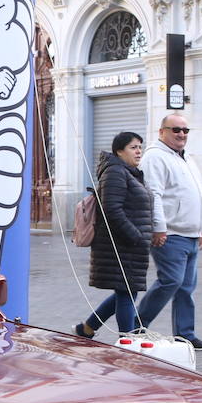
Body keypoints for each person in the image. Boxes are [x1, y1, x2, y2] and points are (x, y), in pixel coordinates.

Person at [135, 114, 202, 350]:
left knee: (186, 288)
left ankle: (185, 334)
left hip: (190, 234)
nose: (181, 134)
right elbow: (153, 195)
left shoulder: (186, 158)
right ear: (161, 132)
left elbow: (197, 194)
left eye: (185, 130)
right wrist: (159, 227)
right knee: (171, 281)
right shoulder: (155, 157)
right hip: (170, 234)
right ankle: (137, 325)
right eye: (176, 129)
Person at [75, 132, 153, 337]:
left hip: (130, 245)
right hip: (121, 245)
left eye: (140, 147)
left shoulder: (129, 172)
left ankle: (87, 328)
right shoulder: (116, 172)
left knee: (126, 291)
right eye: (133, 147)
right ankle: (127, 341)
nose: (138, 151)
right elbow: (112, 209)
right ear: (119, 151)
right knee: (126, 292)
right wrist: (135, 236)